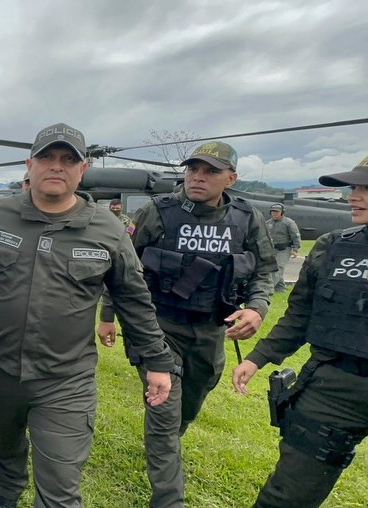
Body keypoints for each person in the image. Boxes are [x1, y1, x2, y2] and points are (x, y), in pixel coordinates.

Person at [0, 123, 175, 508]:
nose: (56, 166)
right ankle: (6, 493)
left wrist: (157, 363)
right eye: (46, 157)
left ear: (82, 171)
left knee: (60, 488)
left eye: (68, 160)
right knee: (6, 445)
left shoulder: (107, 229)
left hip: (66, 380)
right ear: (30, 165)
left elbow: (133, 299)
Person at [99, 141, 277, 508]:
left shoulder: (247, 218)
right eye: (193, 169)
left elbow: (264, 270)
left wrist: (257, 308)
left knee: (189, 404)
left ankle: (167, 440)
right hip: (157, 325)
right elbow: (123, 267)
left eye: (210, 171)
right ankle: (168, 499)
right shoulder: (157, 212)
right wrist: (107, 314)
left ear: (231, 178)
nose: (198, 177)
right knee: (164, 411)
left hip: (211, 330)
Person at [231, 156, 368, 508]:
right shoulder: (333, 246)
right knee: (285, 498)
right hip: (335, 389)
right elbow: (300, 315)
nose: (354, 196)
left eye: (366, 189)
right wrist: (259, 358)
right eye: (354, 187)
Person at [265, 203, 301, 294]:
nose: (274, 214)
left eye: (277, 212)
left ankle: (268, 290)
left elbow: (296, 236)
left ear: (282, 212)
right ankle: (281, 289)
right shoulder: (268, 223)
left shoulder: (289, 223)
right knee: (272, 268)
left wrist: (295, 249)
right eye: (272, 212)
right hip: (272, 249)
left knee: (278, 268)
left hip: (284, 249)